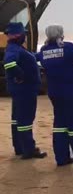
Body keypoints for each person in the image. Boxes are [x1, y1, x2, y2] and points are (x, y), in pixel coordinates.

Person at [37, 25, 73, 166]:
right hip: (72, 91)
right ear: (61, 35)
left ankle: (62, 158)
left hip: (55, 92)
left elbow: (42, 64)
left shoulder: (44, 50)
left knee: (60, 124)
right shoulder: (70, 47)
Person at [3, 22, 47, 159]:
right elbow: (9, 63)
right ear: (18, 35)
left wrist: (41, 54)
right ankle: (28, 149)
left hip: (20, 90)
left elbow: (28, 57)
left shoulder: (16, 48)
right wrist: (21, 76)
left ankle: (20, 148)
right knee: (25, 120)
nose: (25, 36)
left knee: (18, 119)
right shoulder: (13, 48)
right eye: (24, 34)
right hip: (24, 90)